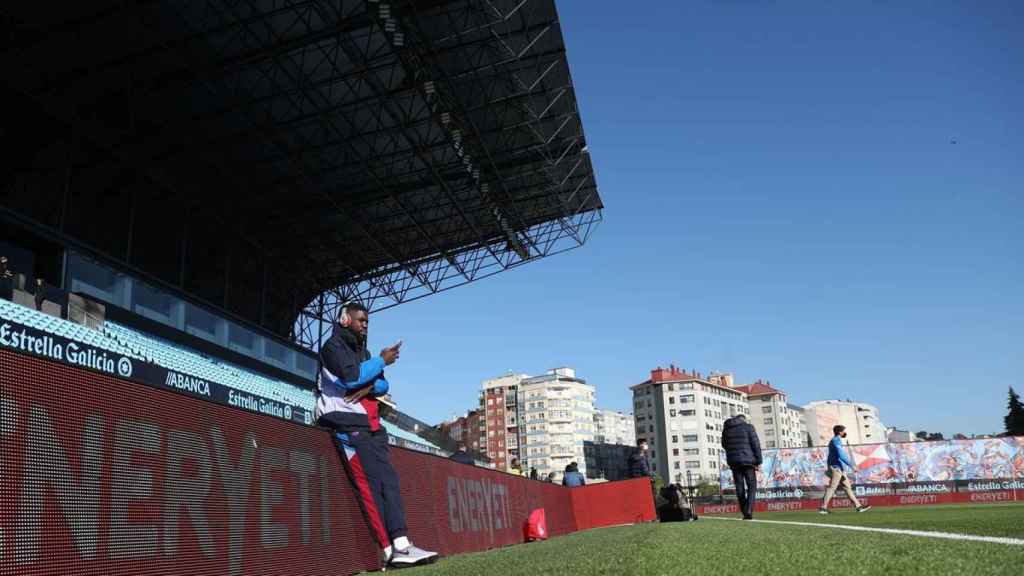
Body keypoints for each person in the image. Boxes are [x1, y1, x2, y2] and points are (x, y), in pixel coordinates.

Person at [317, 301, 438, 568]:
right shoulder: (332, 347)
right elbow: (350, 378)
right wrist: (379, 363)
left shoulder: (363, 351)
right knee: (371, 488)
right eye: (361, 320)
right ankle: (387, 551)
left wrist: (370, 380)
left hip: (370, 424)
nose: (365, 325)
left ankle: (403, 544)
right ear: (345, 319)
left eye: (368, 322)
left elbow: (383, 384)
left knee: (390, 482)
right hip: (346, 422)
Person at [820, 425, 871, 514]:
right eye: (843, 431)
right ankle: (823, 508)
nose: (844, 433)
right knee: (832, 487)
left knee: (847, 487)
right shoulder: (835, 441)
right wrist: (852, 466)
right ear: (840, 432)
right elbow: (841, 455)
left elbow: (833, 456)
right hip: (836, 468)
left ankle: (859, 507)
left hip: (839, 468)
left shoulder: (836, 441)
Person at [722, 413, 762, 520]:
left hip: (734, 461)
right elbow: (756, 444)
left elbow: (724, 445)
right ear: (743, 419)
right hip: (748, 461)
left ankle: (745, 511)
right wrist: (758, 461)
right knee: (752, 486)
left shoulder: (726, 429)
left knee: (739, 487)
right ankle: (748, 510)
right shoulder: (748, 427)